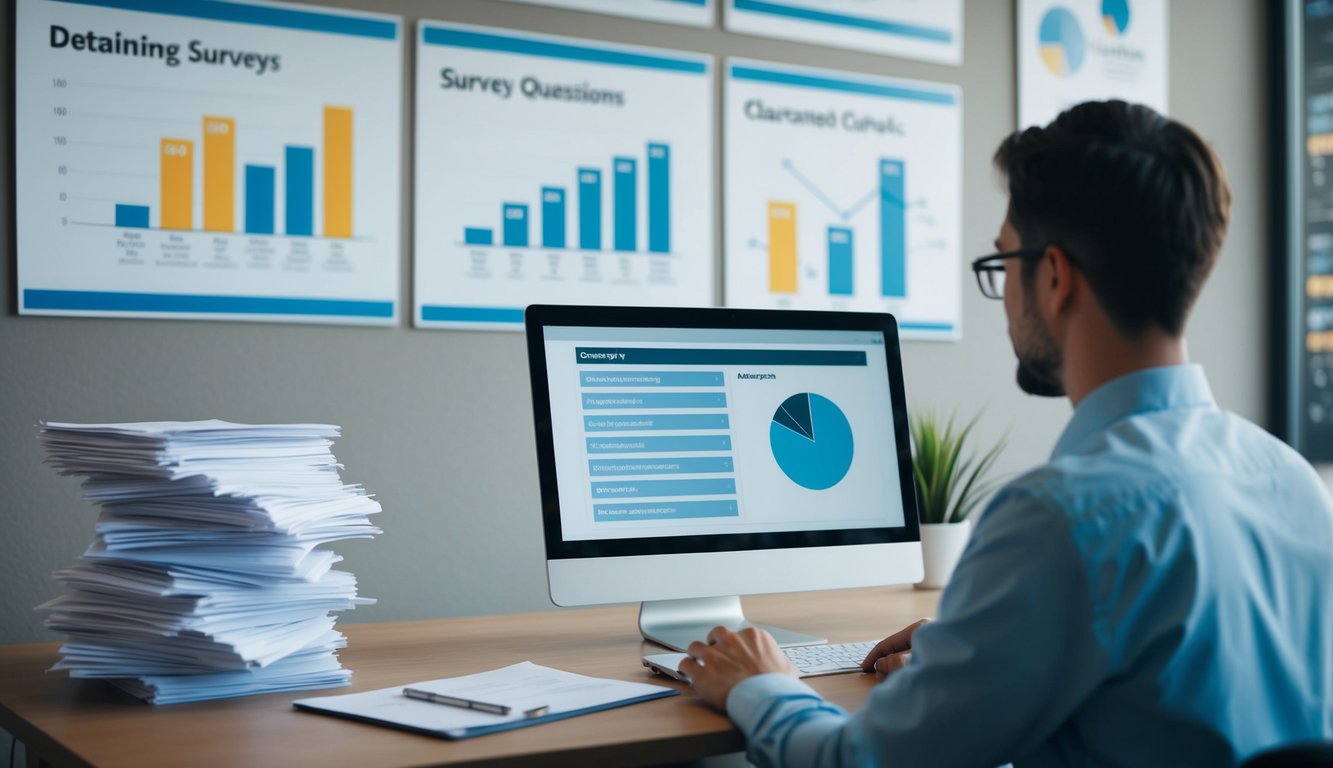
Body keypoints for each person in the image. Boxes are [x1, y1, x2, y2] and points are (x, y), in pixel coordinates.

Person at [680, 100, 1333, 767]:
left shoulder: (1061, 519)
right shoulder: (1289, 480)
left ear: (1053, 277)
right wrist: (982, 646)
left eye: (1002, 264)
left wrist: (759, 686)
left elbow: (856, 763)